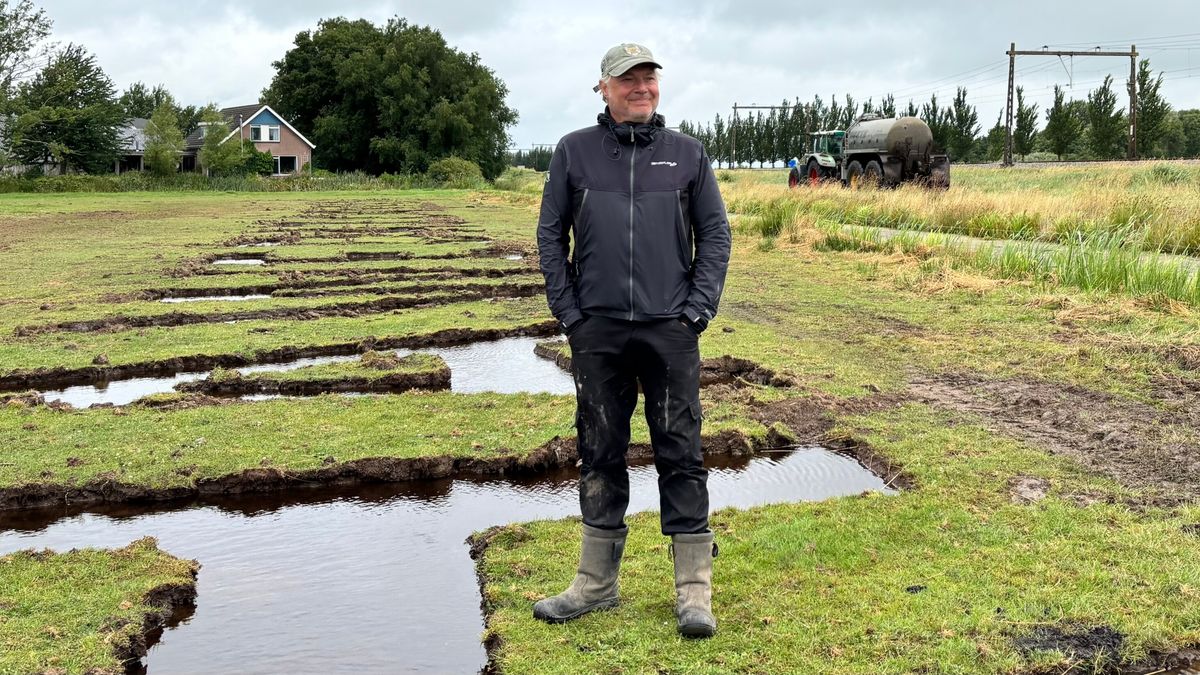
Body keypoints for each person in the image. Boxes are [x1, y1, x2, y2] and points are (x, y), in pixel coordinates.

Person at [534, 42, 731, 638]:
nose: (642, 88)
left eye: (649, 78)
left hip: (670, 331)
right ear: (604, 88)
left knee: (681, 452)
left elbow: (715, 235)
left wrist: (695, 311)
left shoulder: (688, 155)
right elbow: (550, 238)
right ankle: (595, 584)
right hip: (597, 333)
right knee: (599, 451)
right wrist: (572, 316)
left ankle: (694, 592)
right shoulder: (574, 152)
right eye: (629, 80)